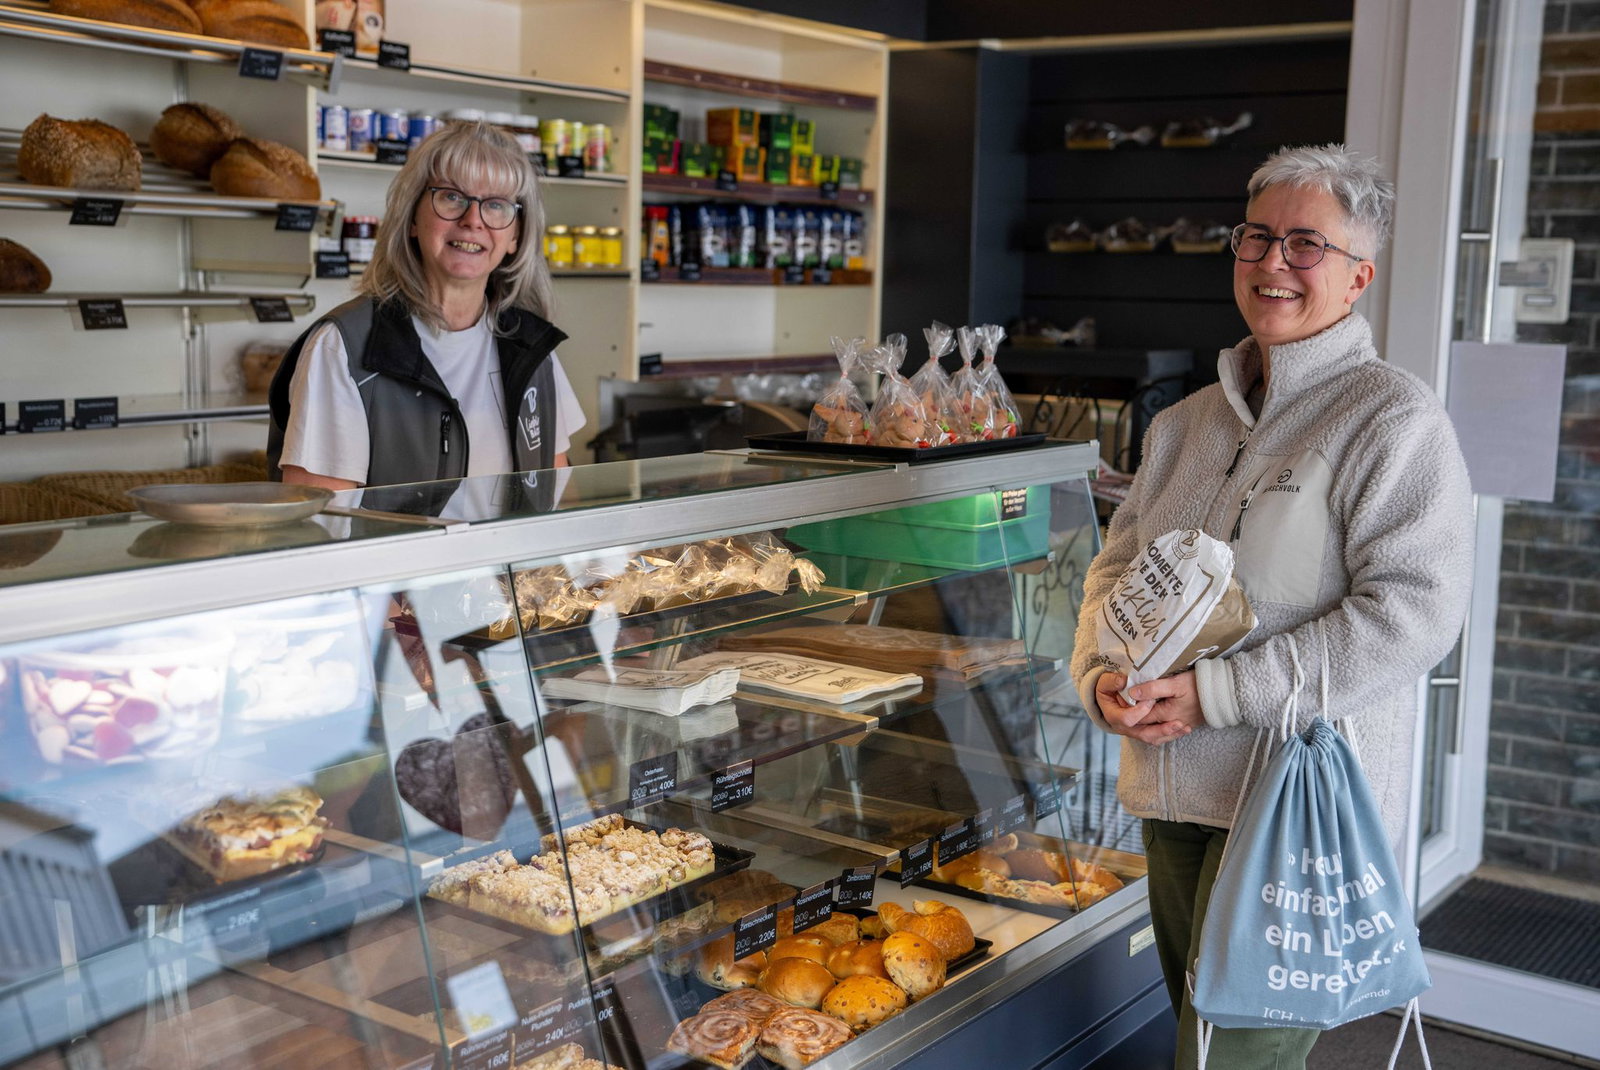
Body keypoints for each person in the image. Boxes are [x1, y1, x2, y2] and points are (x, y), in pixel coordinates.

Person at [1069, 144, 1474, 1070]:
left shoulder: (1392, 420)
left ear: (1359, 275)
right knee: (1197, 1037)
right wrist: (1099, 675)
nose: (1274, 264)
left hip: (1294, 799)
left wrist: (1219, 692)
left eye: (1306, 244)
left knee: (1232, 1061)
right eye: (1257, 238)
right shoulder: (1182, 426)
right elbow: (1115, 571)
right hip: (1171, 784)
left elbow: (1415, 612)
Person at [266, 119, 585, 491]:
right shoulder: (344, 350)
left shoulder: (532, 349)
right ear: (413, 218)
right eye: (451, 196)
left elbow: (559, 493)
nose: (473, 221)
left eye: (496, 205)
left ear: (515, 235)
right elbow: (324, 525)